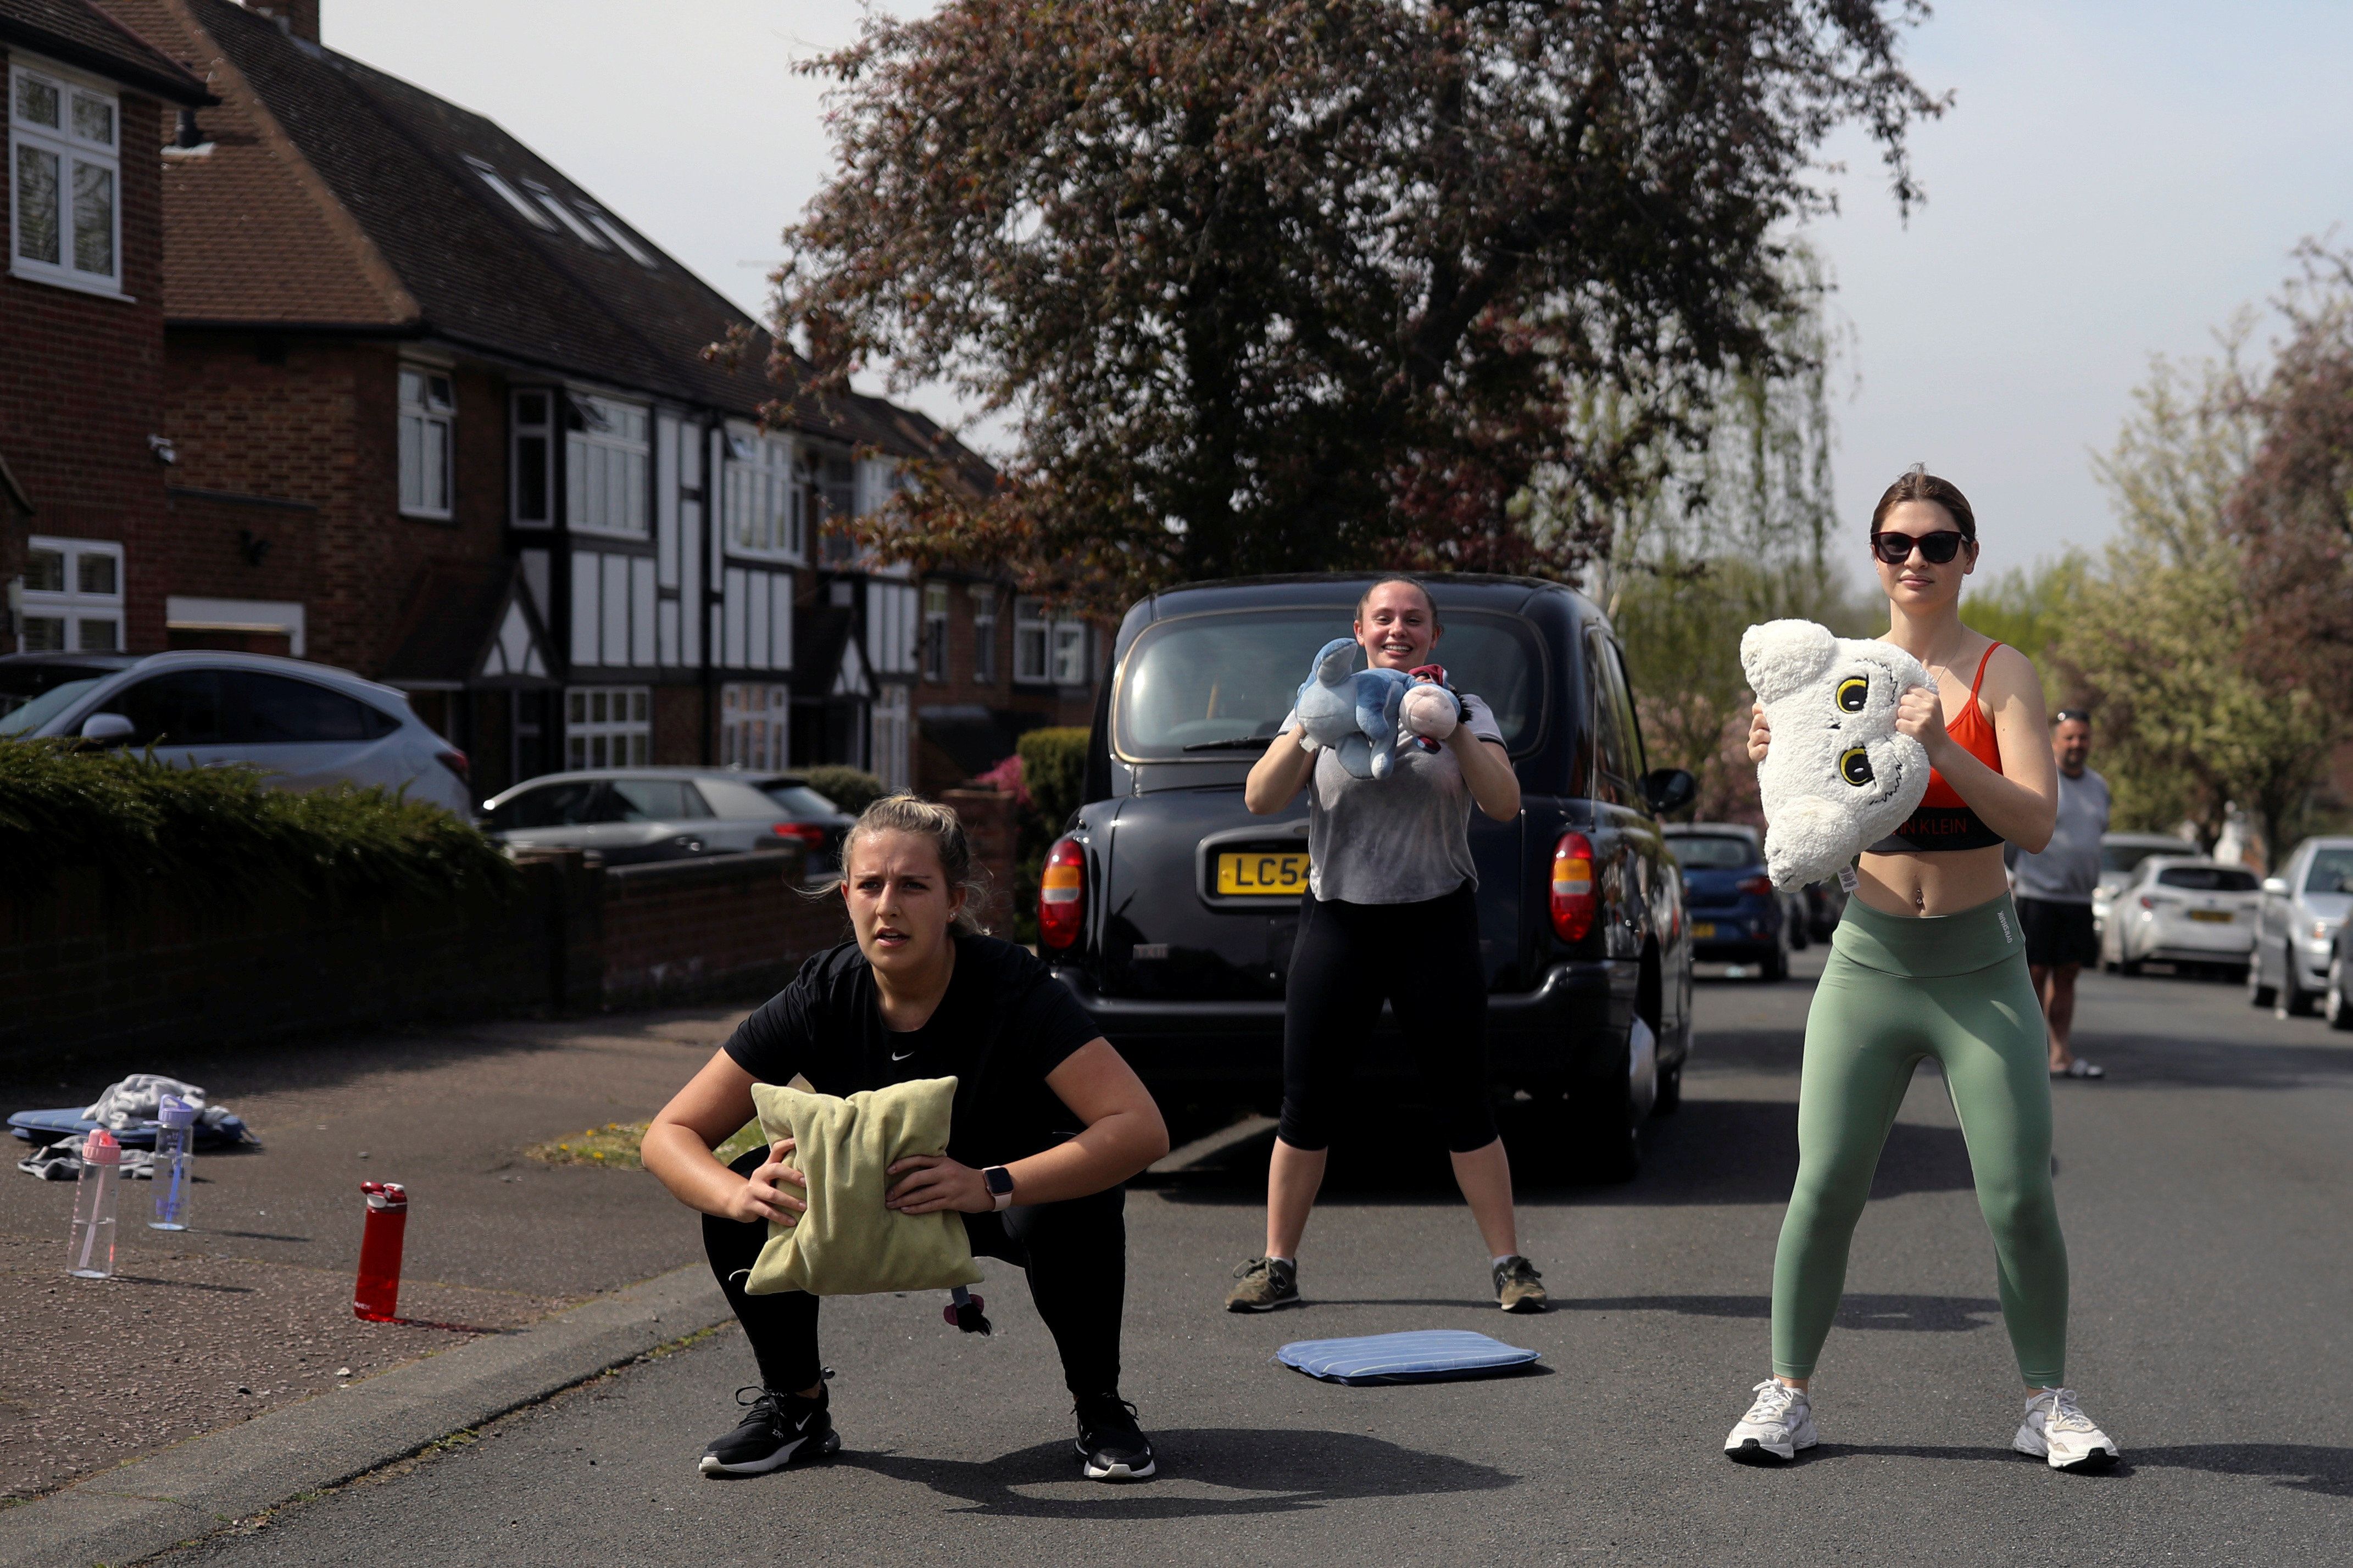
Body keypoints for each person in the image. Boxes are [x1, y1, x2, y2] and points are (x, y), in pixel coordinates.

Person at [1723, 469, 2120, 1473]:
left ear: (1967, 557)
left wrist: (1942, 742)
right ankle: (1786, 1395)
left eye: (1935, 544)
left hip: (1981, 964)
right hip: (1870, 959)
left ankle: (2046, 1403)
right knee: (1823, 1185)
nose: (1914, 560)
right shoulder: (1831, 673)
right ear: (1875, 556)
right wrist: (1767, 752)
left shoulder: (2003, 672)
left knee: (2018, 1195)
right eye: (1895, 543)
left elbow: (2034, 820)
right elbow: (1799, 812)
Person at [642, 795, 1171, 1482]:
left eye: (913, 885)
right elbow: (669, 1134)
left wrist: (989, 1183)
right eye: (870, 884)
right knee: (750, 1187)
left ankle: (1099, 1404)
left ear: (953, 900)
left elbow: (1139, 1128)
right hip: (866, 1203)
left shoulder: (1014, 985)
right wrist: (739, 1195)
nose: (887, 904)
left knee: (1081, 1197)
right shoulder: (821, 992)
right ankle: (797, 1408)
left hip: (996, 1196)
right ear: (846, 896)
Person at [1222, 575, 1549, 1315]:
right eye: (1382, 618)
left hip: (1433, 920)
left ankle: (1509, 1264)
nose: (1396, 628)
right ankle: (1277, 1266)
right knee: (1304, 1103)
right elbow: (1259, 796)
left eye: (1411, 619)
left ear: (1432, 635)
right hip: (1338, 920)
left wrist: (1454, 727)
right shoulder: (1322, 703)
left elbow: (1502, 802)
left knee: (1465, 1101)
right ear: (1359, 629)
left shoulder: (1464, 706)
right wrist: (1309, 726)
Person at [2012, 711, 2110, 1079]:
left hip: (2078, 899)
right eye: (2069, 738)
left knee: (2067, 974)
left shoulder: (2098, 786)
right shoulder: (2040, 778)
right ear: (2055, 741)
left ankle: (2061, 1054)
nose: (2076, 745)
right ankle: (2029, 1056)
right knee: (2034, 974)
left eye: (2082, 738)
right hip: (2038, 894)